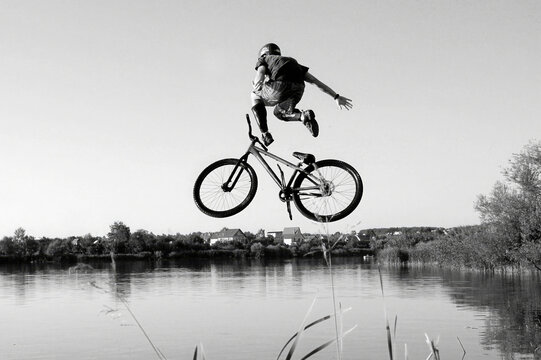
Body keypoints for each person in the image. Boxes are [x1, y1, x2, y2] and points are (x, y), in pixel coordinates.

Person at [251, 43, 353, 146]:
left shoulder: (265, 59)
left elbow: (260, 72)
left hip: (280, 86)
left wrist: (257, 84)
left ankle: (265, 134)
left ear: (264, 54)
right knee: (279, 112)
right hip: (298, 89)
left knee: (254, 95)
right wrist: (336, 96)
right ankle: (303, 116)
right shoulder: (292, 63)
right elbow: (314, 81)